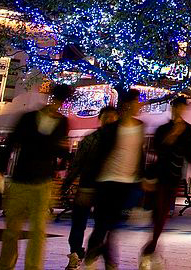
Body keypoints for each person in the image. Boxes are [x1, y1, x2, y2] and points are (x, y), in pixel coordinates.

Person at [0, 83, 74, 270]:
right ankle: (5, 266)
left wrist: (64, 157)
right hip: (21, 179)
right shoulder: (28, 119)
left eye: (61, 101)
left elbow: (60, 151)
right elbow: (10, 144)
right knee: (12, 230)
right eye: (57, 100)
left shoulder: (62, 123)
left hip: (43, 182)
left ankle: (33, 267)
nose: (58, 105)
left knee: (38, 231)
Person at [84, 89, 144, 270]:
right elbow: (97, 158)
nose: (138, 105)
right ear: (126, 105)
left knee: (114, 225)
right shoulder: (111, 129)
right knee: (103, 224)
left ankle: (102, 254)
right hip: (107, 181)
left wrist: (142, 179)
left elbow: (139, 155)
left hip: (127, 183)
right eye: (135, 102)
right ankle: (99, 256)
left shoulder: (140, 127)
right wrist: (88, 186)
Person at [140, 96, 191, 269]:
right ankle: (150, 250)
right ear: (173, 109)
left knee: (163, 215)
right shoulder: (163, 129)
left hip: (174, 175)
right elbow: (157, 148)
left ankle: (150, 249)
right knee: (159, 214)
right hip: (160, 174)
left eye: (182, 108)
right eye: (177, 108)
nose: (180, 111)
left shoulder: (188, 130)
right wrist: (173, 134)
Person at [61, 105, 118, 270]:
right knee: (80, 223)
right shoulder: (91, 139)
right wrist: (67, 183)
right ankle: (77, 253)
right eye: (106, 116)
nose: (110, 120)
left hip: (106, 189)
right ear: (100, 118)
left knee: (101, 225)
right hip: (88, 186)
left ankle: (92, 252)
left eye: (113, 117)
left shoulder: (118, 141)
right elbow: (78, 163)